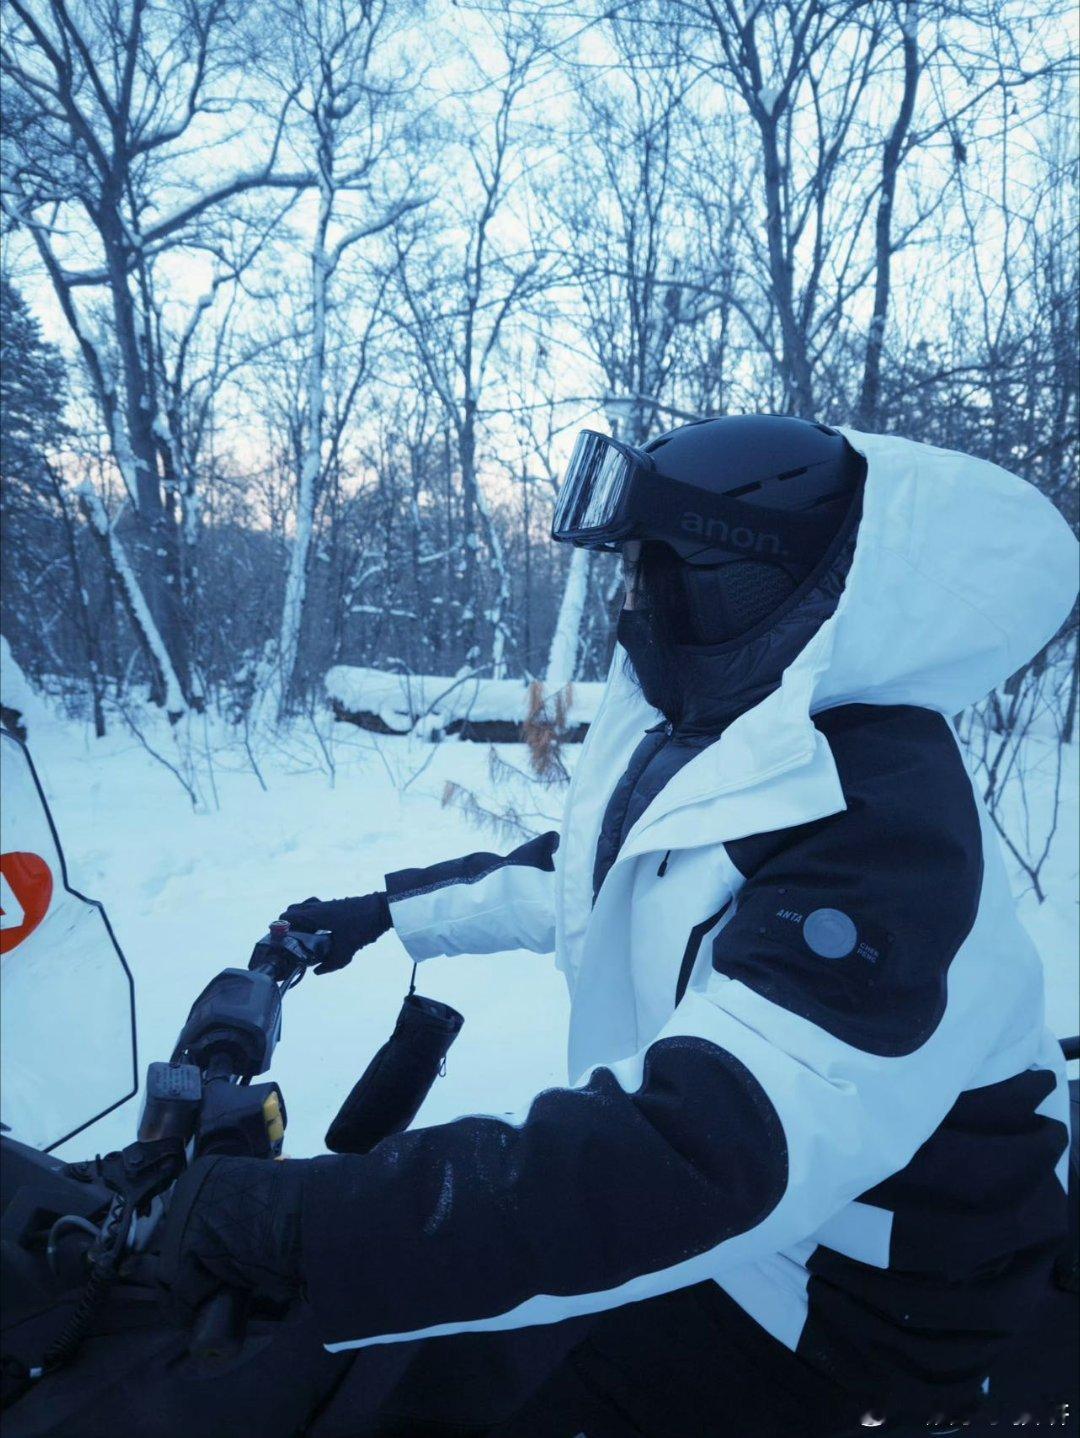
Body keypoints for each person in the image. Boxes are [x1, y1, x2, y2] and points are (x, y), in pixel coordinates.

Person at [158, 416, 1078, 1436]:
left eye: (650, 574)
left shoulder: (885, 826)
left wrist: (305, 1223)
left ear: (738, 586)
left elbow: (713, 1143)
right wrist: (386, 913)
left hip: (859, 1306)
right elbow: (598, 874)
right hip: (728, 1237)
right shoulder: (742, 735)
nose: (628, 606)